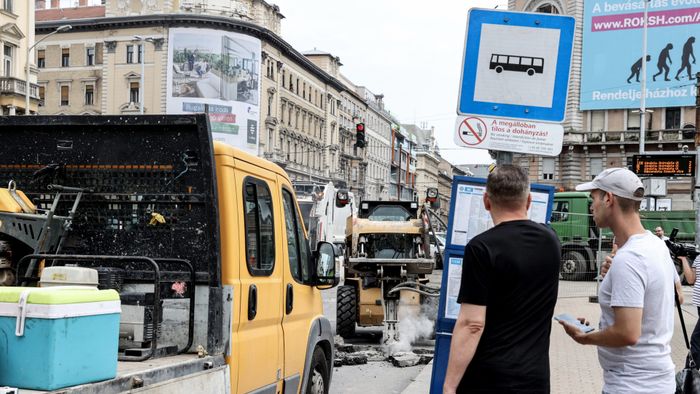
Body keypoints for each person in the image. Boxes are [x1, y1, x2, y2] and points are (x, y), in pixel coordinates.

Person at [443, 165, 561, 394]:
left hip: (488, 379)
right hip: (534, 378)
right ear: (529, 201)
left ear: (486, 201)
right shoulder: (551, 241)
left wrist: (449, 385)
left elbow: (472, 324)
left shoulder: (481, 248)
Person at [560, 168, 676, 394]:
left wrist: (584, 337)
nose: (591, 207)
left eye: (593, 198)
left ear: (608, 198)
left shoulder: (630, 258)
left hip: (632, 385)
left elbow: (627, 333)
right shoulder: (655, 245)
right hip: (656, 381)